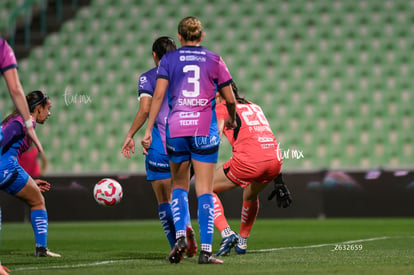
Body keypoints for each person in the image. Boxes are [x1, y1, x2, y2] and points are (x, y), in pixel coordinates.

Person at [142, 16, 237, 265]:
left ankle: (181, 236)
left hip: (177, 129)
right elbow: (230, 99)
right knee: (204, 189)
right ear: (201, 36)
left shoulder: (169, 60)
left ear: (180, 37)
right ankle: (206, 251)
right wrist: (232, 119)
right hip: (204, 129)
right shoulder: (214, 59)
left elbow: (159, 95)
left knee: (179, 187)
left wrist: (149, 129)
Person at [121, 36, 197, 257]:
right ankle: (186, 227)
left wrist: (130, 134)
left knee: (164, 200)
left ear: (154, 55)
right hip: (186, 142)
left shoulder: (149, 77)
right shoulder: (189, 76)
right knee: (179, 192)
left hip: (160, 145)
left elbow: (145, 110)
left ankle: (176, 245)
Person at [212, 82, 293, 256]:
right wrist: (279, 180)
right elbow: (266, 137)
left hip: (250, 161)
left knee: (206, 188)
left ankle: (227, 233)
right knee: (250, 194)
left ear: (219, 92)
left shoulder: (221, 107)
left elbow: (215, 137)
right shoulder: (255, 106)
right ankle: (242, 241)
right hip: (274, 160)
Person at [0, 90, 60, 257]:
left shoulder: (14, 119)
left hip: (6, 168)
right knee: (37, 201)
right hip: (6, 169)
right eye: (47, 108)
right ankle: (41, 249)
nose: (49, 113)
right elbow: (3, 141)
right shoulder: (26, 122)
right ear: (38, 108)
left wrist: (31, 181)